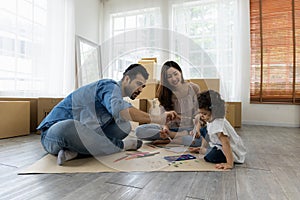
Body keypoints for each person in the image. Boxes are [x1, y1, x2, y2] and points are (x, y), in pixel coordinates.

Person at [37, 63, 178, 165]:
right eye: (139, 83)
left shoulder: (116, 98)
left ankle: (76, 152)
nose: (141, 89)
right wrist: (158, 119)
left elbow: (121, 113)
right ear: (127, 79)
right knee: (70, 127)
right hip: (53, 134)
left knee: (124, 126)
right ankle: (121, 146)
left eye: (143, 86)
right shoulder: (109, 86)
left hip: (84, 137)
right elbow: (120, 109)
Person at [135, 61, 201, 146]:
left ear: (180, 72)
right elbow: (163, 118)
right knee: (139, 131)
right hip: (171, 129)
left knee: (201, 139)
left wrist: (186, 121)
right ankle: (177, 137)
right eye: (169, 76)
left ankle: (171, 140)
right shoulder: (164, 93)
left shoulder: (194, 88)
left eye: (175, 74)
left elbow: (199, 114)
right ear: (166, 80)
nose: (174, 78)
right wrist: (165, 128)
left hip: (189, 128)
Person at [189, 90, 246, 170]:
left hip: (231, 151)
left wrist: (229, 163)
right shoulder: (211, 119)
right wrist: (202, 148)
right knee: (204, 130)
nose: (202, 116)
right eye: (200, 113)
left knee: (211, 156)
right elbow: (207, 134)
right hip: (219, 145)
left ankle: (211, 152)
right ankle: (206, 150)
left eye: (204, 114)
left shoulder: (218, 124)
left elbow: (226, 143)